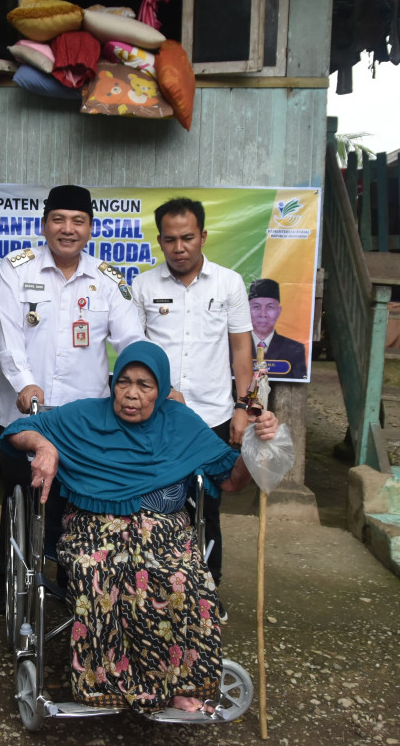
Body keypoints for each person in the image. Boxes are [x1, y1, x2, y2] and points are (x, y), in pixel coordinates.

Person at [0, 341, 278, 715]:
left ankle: (176, 684)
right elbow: (17, 432)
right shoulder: (83, 417)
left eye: (144, 386)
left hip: (165, 530)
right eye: (124, 382)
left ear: (160, 390)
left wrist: (256, 447)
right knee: (96, 572)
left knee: (181, 577)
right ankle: (106, 686)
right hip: (93, 527)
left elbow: (231, 479)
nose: (131, 394)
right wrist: (44, 446)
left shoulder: (180, 424)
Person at [0, 184, 144, 606]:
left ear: (91, 228)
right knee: (21, 504)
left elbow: (131, 341)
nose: (68, 229)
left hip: (84, 422)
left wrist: (144, 383)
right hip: (26, 417)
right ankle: (13, 592)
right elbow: (6, 339)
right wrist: (24, 383)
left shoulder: (107, 280)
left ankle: (75, 595)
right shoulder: (16, 269)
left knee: (77, 510)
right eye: (59, 219)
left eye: (78, 221)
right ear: (44, 224)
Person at [131, 198, 253, 609]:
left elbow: (241, 351)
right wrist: (162, 389)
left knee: (207, 506)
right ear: (160, 241)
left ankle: (207, 592)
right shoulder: (144, 286)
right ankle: (155, 591)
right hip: (159, 417)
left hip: (213, 416)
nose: (179, 247)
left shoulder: (229, 284)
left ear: (203, 236)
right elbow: (135, 351)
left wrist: (243, 407)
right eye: (170, 239)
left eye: (187, 238)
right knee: (156, 505)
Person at [247, 277, 308, 379]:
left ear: (279, 311)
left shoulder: (295, 349)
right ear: (247, 309)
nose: (263, 314)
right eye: (256, 307)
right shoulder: (232, 347)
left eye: (270, 307)